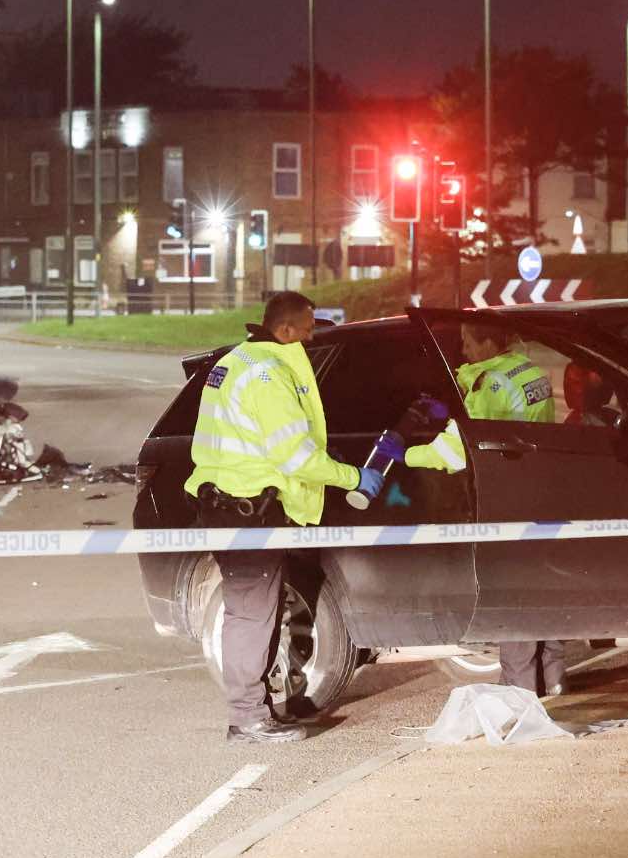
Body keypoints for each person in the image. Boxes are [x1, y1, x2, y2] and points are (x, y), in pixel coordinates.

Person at [185, 290, 389, 743]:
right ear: (286, 330)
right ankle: (248, 718)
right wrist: (351, 476)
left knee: (259, 612)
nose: (314, 335)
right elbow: (294, 454)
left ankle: (259, 711)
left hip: (233, 503)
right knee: (251, 616)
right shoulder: (268, 375)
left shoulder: (237, 360)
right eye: (310, 326)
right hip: (246, 510)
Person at [404, 317, 570, 696]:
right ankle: (554, 676)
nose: (463, 350)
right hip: (538, 485)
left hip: (505, 491)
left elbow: (456, 450)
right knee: (542, 589)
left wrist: (405, 455)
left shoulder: (489, 385)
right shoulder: (529, 370)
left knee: (512, 594)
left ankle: (518, 686)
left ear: (489, 345)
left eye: (468, 342)